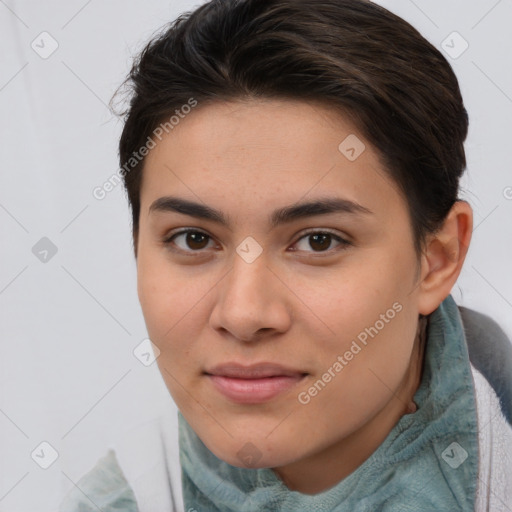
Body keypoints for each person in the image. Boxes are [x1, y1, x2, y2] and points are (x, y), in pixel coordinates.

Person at [59, 0, 512, 510]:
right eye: (194, 239)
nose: (244, 314)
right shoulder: (118, 496)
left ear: (437, 259)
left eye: (319, 240)